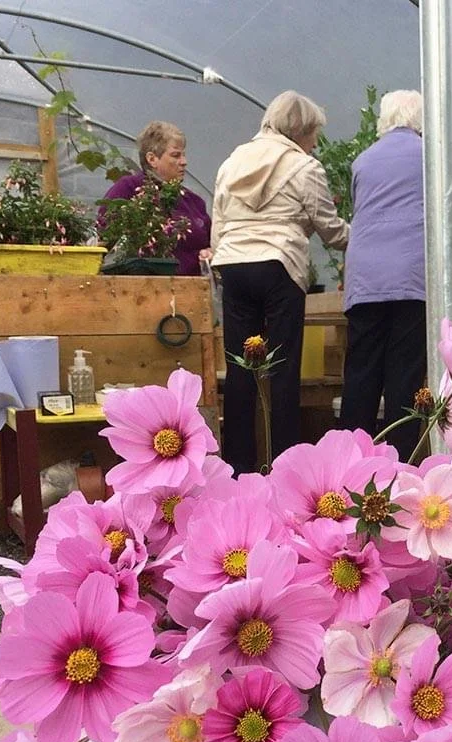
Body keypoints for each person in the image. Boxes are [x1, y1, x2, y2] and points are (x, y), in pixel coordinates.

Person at [211, 90, 349, 472]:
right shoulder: (304, 167)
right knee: (283, 369)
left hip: (235, 265)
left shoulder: (232, 161)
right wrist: (364, 237)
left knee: (241, 369)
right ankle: (285, 466)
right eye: (314, 134)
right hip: (279, 265)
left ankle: (237, 468)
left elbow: (219, 224)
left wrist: (224, 264)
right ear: (301, 130)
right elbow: (331, 230)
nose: (316, 142)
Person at [338, 90, 426, 460]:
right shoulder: (429, 157)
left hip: (366, 278)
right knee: (403, 377)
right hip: (409, 274)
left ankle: (347, 462)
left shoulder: (363, 161)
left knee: (361, 372)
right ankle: (400, 465)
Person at [101, 121, 212, 275]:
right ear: (152, 159)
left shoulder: (194, 201)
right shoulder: (129, 188)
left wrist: (210, 253)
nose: (184, 162)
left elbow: (212, 243)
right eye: (176, 155)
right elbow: (102, 237)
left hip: (192, 290)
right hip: (143, 288)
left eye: (184, 155)